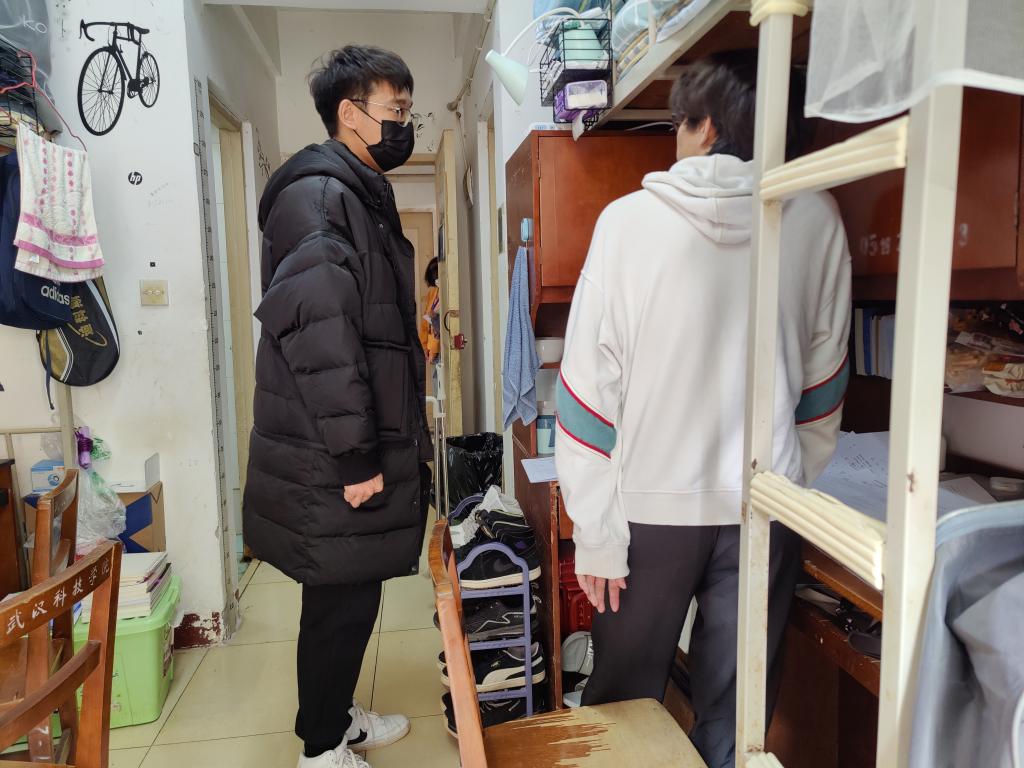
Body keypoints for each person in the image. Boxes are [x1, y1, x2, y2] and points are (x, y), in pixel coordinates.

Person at [555, 51, 851, 768]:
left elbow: (587, 393)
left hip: (648, 512)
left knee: (623, 709)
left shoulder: (626, 223)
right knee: (738, 719)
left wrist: (596, 532)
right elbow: (823, 388)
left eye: (679, 122)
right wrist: (790, 481)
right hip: (764, 508)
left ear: (707, 126)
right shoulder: (817, 218)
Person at [243, 45, 432, 768]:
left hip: (350, 440)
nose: (405, 124)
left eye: (408, 111)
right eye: (396, 110)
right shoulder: (321, 198)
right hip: (333, 453)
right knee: (338, 603)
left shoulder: (354, 192)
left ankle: (336, 716)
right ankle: (320, 751)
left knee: (351, 594)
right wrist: (355, 456)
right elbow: (322, 335)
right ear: (350, 114)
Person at [418, 257, 441, 364]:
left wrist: (432, 350)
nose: (436, 285)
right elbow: (425, 323)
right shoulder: (433, 292)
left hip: (439, 351)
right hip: (431, 350)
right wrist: (424, 347)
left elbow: (440, 328)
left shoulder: (447, 294)